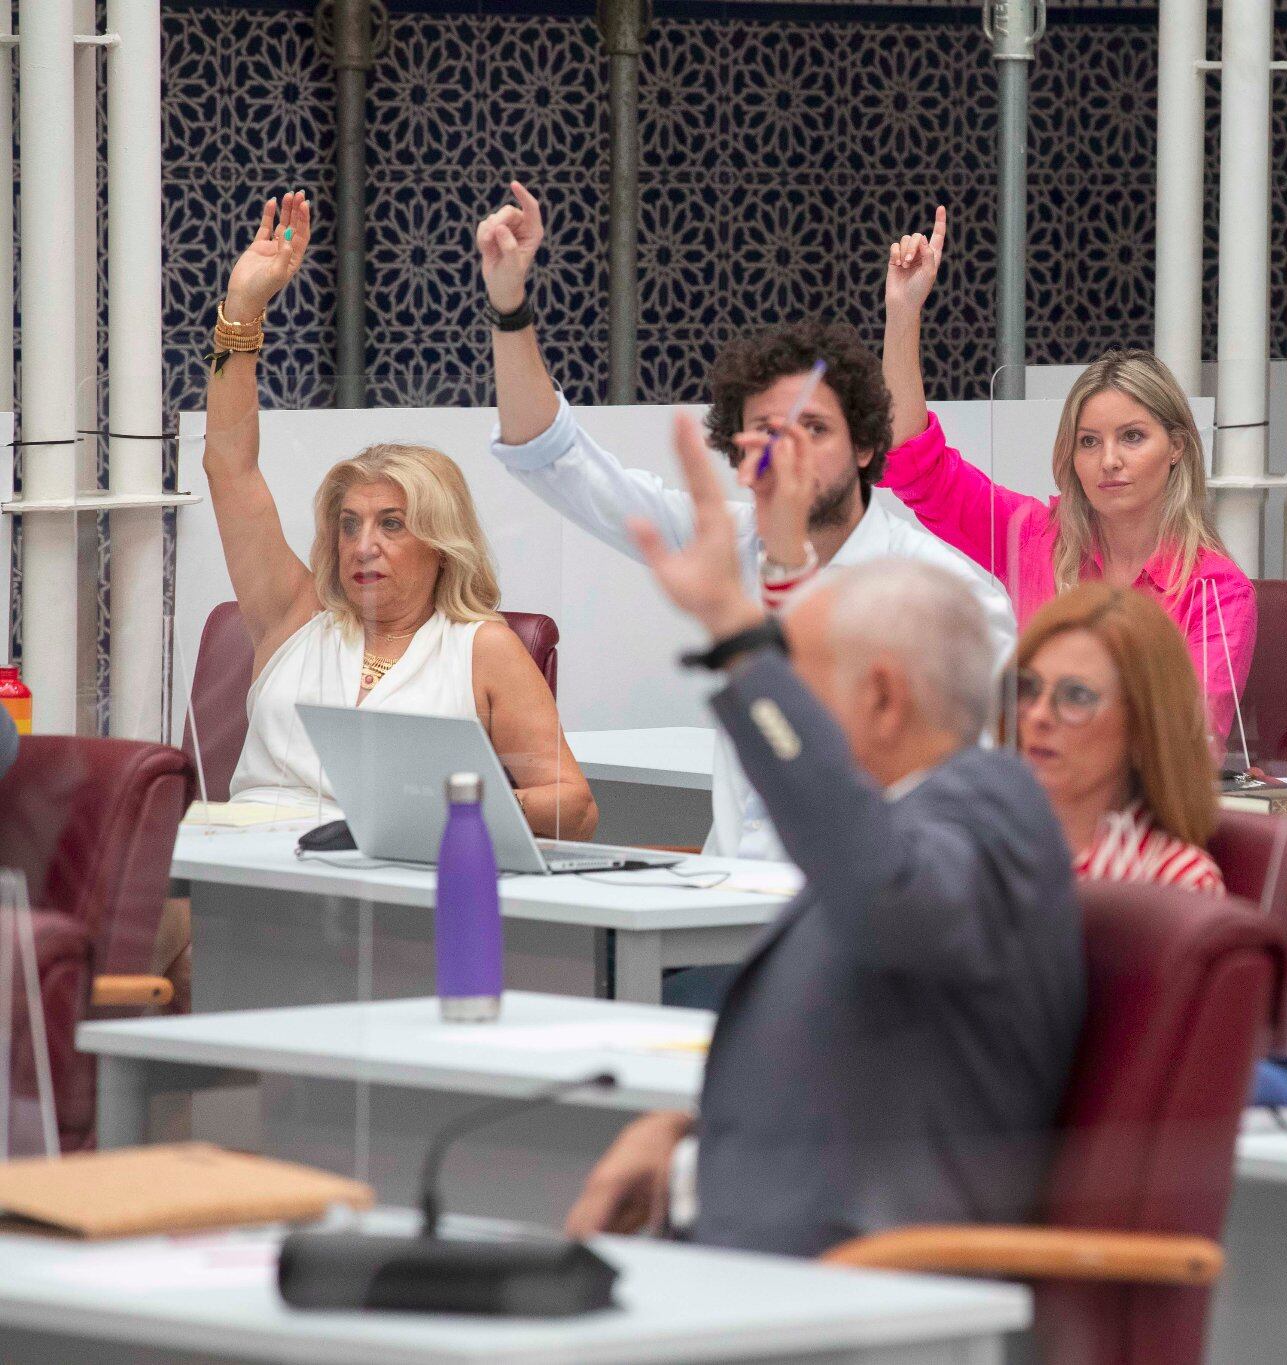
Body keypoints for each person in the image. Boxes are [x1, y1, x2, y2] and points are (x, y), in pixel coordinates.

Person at [563, 414, 1084, 1255]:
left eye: (798, 679)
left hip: (864, 1274)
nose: (784, 704)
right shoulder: (910, 822)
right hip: (757, 1231)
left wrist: (740, 642)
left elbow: (883, 894)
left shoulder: (994, 813)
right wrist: (683, 1134)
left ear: (882, 697)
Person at [475, 183, 1014, 861]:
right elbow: (552, 457)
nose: (785, 447)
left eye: (814, 428)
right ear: (735, 452)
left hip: (873, 916)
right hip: (728, 899)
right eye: (764, 430)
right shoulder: (722, 540)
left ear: (867, 446)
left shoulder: (945, 590)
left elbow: (989, 795)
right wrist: (508, 307)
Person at [205, 193, 594, 838]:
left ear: (442, 542)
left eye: (391, 523)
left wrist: (438, 812)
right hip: (241, 864)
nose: (363, 544)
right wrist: (243, 311)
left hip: (385, 885)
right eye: (349, 523)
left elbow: (573, 807)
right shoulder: (292, 613)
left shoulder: (481, 648)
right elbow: (229, 469)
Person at [880, 210, 1255, 738]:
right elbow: (914, 466)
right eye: (1088, 442)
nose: (1108, 460)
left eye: (1132, 436)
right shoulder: (1035, 538)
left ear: (1176, 447)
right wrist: (903, 314)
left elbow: (1186, 742)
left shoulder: (1216, 590)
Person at [1009, 583, 1225, 894]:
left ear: (1142, 727)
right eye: (1029, 688)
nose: (1038, 716)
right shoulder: (981, 847)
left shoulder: (1175, 883)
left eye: (1076, 695)